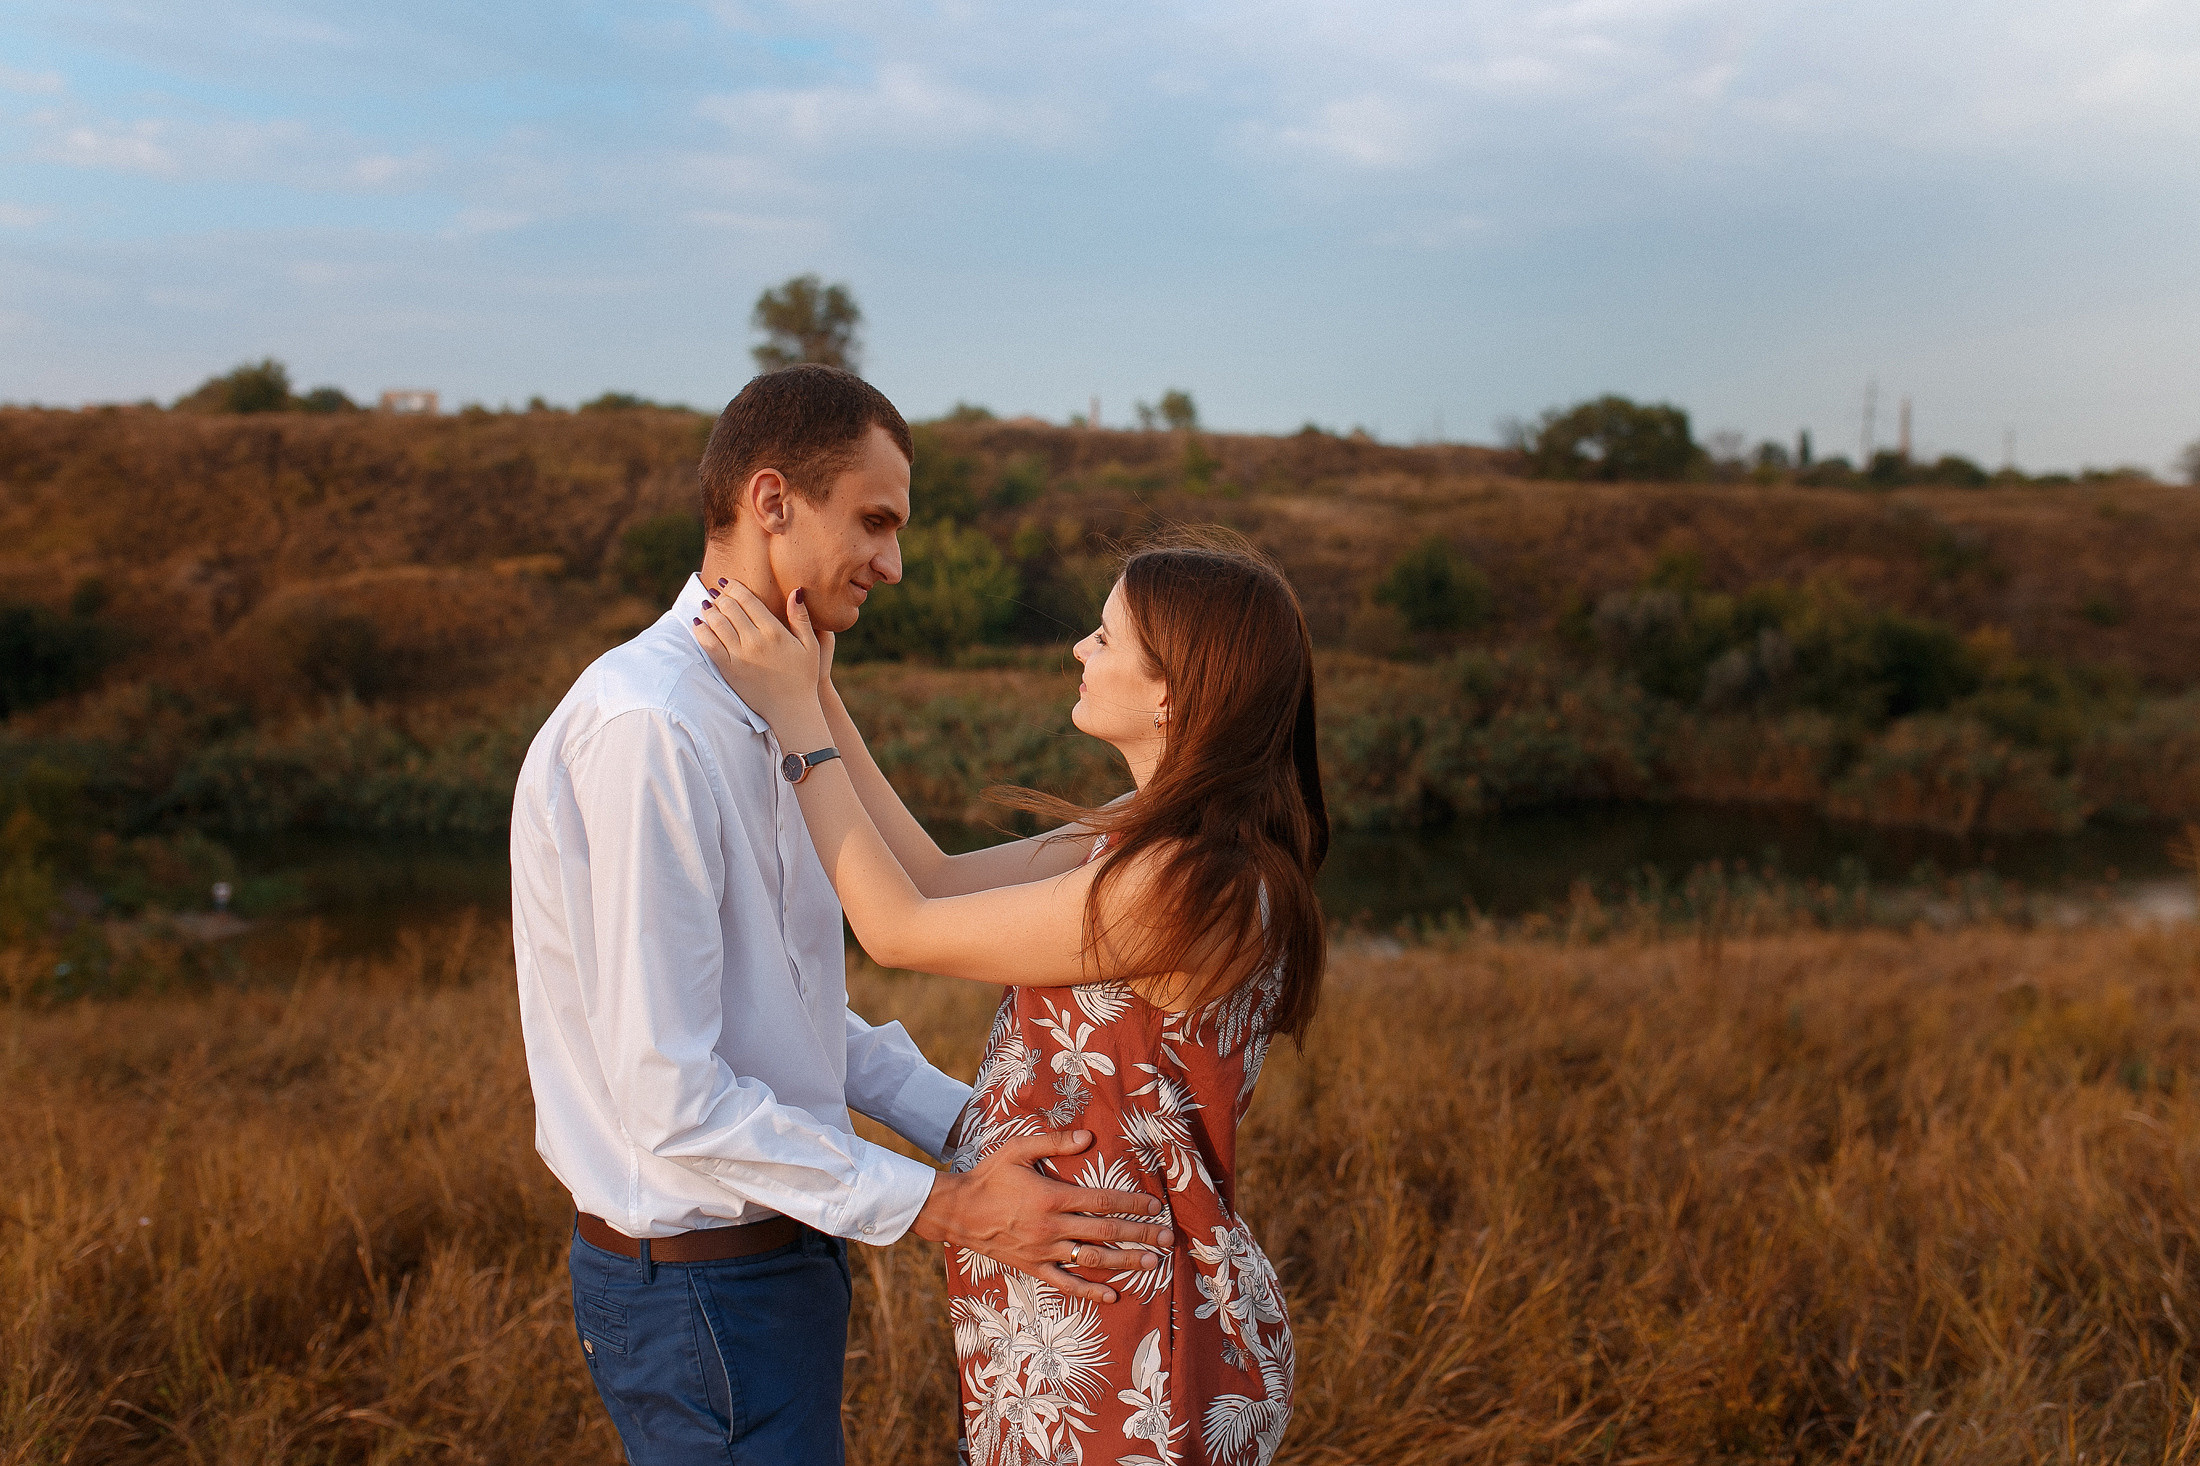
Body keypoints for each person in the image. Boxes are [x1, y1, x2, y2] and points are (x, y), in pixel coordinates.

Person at [511, 364, 1174, 1466]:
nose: (895, 561)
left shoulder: (759, 698)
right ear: (772, 503)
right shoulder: (652, 726)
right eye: (873, 520)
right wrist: (948, 1206)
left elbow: (792, 1012)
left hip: (778, 1255)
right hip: (697, 1284)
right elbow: (669, 1092)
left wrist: (970, 1129)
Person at [693, 531, 1327, 1466]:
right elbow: (935, 877)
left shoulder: (1191, 885)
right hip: (1080, 1298)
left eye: (1105, 638)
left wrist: (796, 729)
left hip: (1135, 1326)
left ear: (1171, 691)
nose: (1079, 648)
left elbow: (898, 927)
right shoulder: (1137, 842)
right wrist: (818, 694)